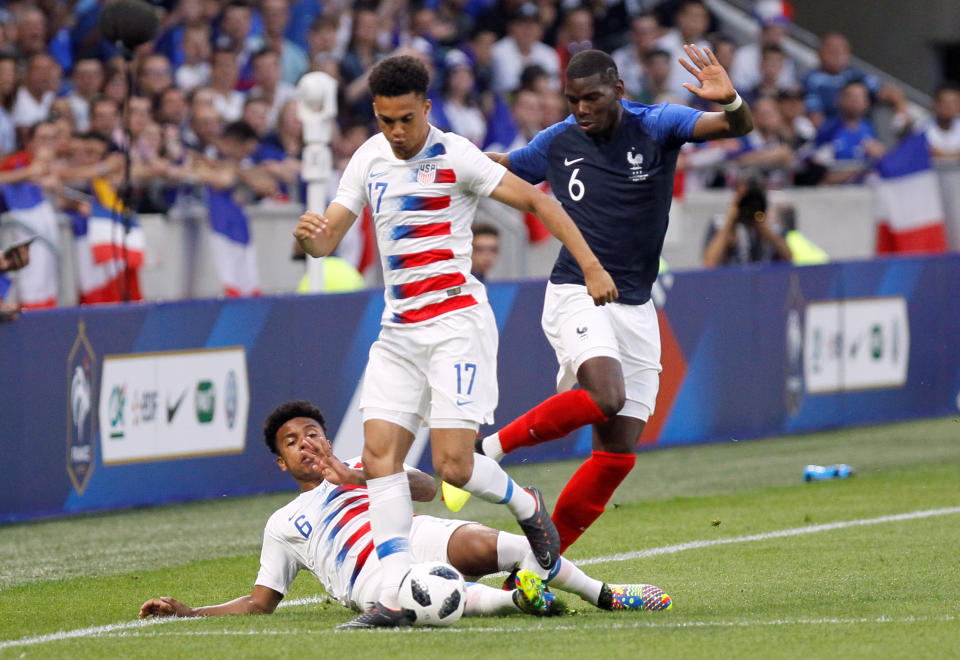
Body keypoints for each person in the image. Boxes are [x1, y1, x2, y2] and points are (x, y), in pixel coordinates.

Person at [293, 54, 618, 628]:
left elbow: (541, 201)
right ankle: (393, 594)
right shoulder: (368, 158)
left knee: (454, 467)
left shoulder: (455, 155)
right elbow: (330, 238)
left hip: (455, 328)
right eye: (386, 120)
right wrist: (314, 238)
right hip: (398, 333)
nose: (396, 133)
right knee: (380, 460)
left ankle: (526, 504)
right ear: (376, 112)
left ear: (426, 108)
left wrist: (591, 266)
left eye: (405, 120)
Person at [479, 47, 753, 554]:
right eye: (572, 100)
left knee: (617, 453)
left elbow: (737, 128)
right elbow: (502, 169)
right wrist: (446, 157)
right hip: (576, 290)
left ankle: (542, 565)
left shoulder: (657, 124)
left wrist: (732, 100)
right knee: (607, 396)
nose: (581, 109)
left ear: (619, 92)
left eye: (592, 98)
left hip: (635, 304)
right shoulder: (556, 142)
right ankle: (486, 450)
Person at [138, 401, 671, 622]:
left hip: (412, 535)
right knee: (436, 593)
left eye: (312, 434)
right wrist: (188, 612)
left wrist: (353, 474)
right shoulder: (281, 525)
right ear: (281, 462)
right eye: (292, 441)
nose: (306, 444)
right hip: (367, 575)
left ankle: (603, 593)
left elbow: (424, 488)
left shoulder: (359, 465)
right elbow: (259, 604)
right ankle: (516, 600)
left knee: (502, 545)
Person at [701, 178, 792, 267]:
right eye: (745, 200)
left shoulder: (774, 227)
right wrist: (730, 222)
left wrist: (764, 229)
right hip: (731, 279)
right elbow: (709, 263)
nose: (749, 206)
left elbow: (789, 258)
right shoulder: (719, 224)